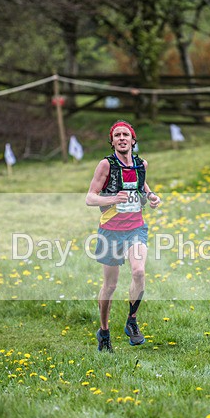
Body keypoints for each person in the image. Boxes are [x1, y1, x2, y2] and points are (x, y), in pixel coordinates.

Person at [86, 120, 161, 352]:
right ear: (112, 141)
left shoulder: (141, 164)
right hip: (110, 232)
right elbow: (90, 197)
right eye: (117, 135)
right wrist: (111, 199)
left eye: (125, 135)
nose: (121, 138)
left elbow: (142, 185)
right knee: (110, 286)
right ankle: (104, 332)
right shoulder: (105, 165)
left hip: (136, 228)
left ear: (132, 140)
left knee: (138, 271)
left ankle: (131, 320)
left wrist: (152, 196)